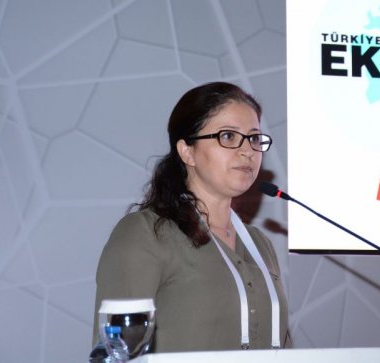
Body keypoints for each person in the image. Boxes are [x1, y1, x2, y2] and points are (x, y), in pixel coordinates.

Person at [93, 81, 290, 352]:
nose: (247, 151)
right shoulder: (145, 234)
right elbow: (117, 352)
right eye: (228, 136)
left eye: (254, 138)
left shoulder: (260, 244)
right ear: (187, 151)